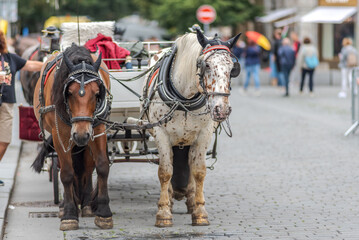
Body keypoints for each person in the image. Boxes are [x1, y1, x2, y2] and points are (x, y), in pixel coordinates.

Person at [0, 30, 43, 186]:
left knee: (4, 140)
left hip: (6, 103)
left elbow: (30, 65)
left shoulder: (9, 58)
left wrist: (49, 65)